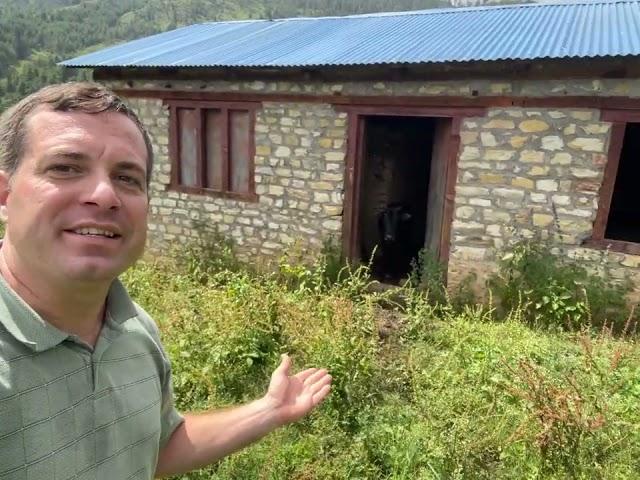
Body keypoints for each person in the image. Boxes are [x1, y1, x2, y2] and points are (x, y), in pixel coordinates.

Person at [0, 82, 332, 479]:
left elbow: (155, 447)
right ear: (4, 194)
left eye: (127, 178)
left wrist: (269, 409)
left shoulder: (135, 329)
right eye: (66, 168)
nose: (105, 195)